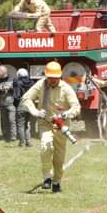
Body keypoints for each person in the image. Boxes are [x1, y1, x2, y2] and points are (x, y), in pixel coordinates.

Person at [21, 61, 81, 192]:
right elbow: (26, 98)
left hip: (61, 125)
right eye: (50, 78)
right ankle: (47, 178)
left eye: (54, 78)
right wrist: (35, 112)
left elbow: (76, 107)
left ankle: (57, 182)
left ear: (59, 76)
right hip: (46, 123)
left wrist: (66, 114)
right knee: (45, 147)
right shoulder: (41, 84)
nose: (52, 80)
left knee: (59, 158)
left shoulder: (66, 88)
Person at [0, 65, 16, 142]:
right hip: (2, 104)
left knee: (12, 120)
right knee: (4, 121)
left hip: (11, 104)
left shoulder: (12, 79)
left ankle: (13, 136)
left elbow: (17, 90)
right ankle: (5, 136)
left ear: (3, 72)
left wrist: (10, 88)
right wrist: (1, 90)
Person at [13, 68, 35, 147]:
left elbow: (16, 96)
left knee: (20, 124)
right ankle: (28, 141)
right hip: (29, 104)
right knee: (27, 123)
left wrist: (16, 105)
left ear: (19, 75)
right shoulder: (32, 83)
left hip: (21, 104)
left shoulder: (18, 83)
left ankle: (22, 143)